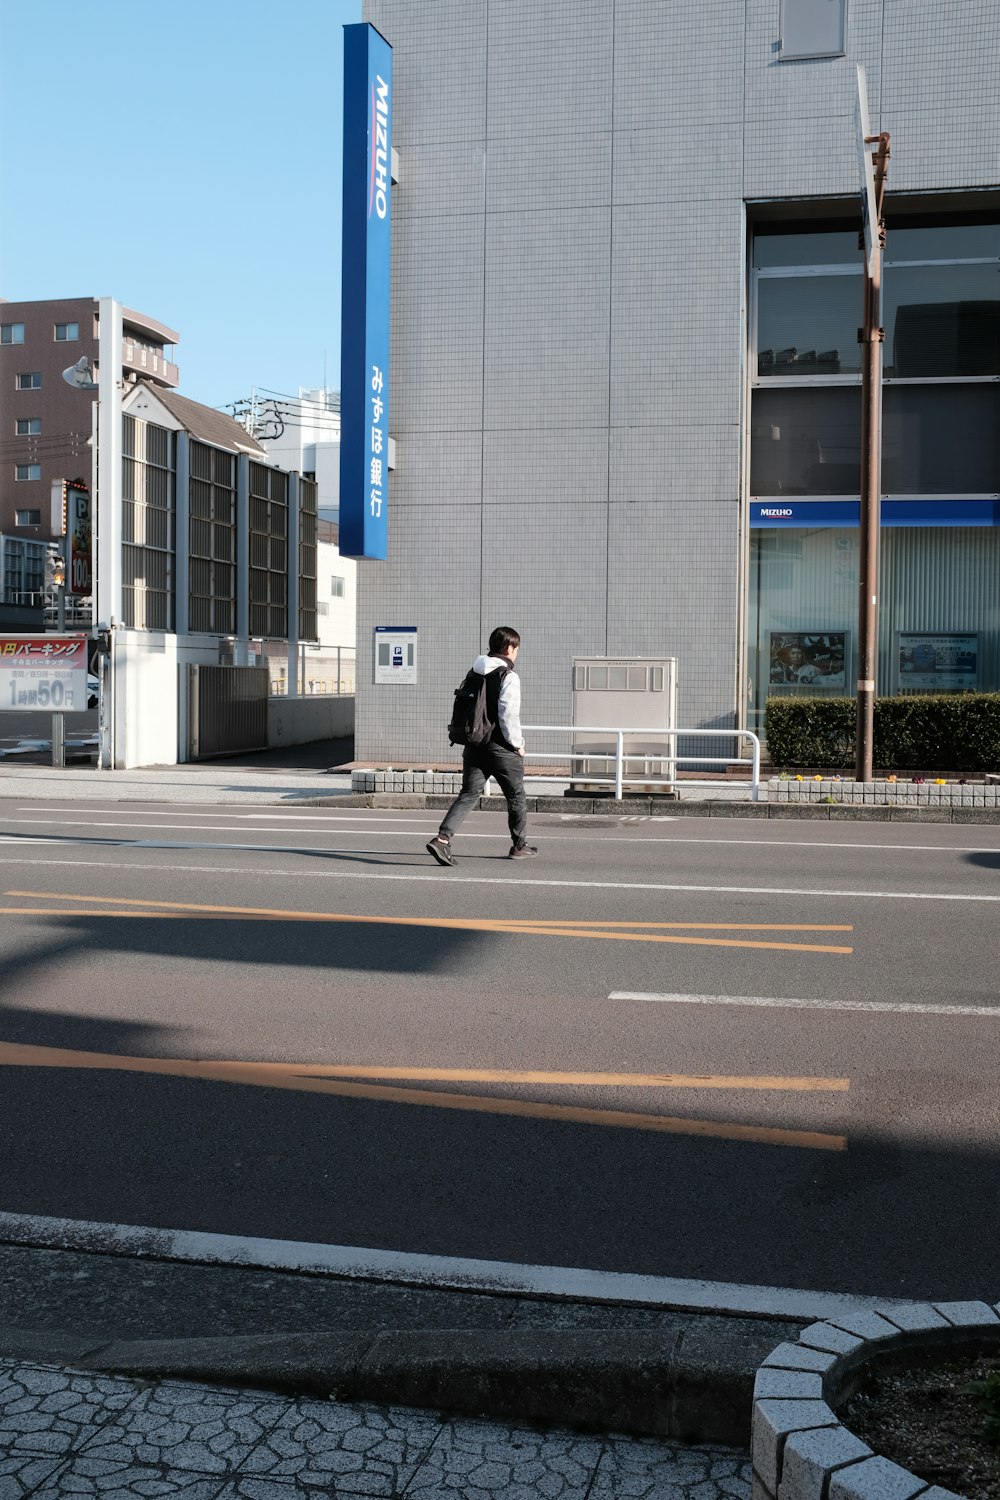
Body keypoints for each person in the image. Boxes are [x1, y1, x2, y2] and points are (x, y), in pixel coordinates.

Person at [426, 625, 538, 865]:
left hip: (475, 745)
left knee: (467, 795)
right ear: (509, 647)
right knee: (516, 796)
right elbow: (508, 715)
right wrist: (518, 744)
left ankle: (442, 840)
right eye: (516, 648)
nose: (516, 653)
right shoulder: (508, 676)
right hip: (501, 749)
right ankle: (519, 846)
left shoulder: (474, 672)